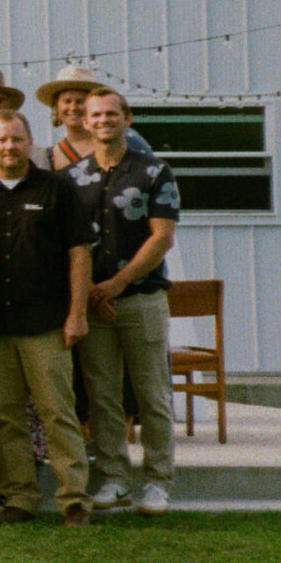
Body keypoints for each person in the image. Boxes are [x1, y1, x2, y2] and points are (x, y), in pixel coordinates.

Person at [0, 112, 95, 525]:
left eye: (17, 140)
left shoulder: (57, 188)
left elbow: (79, 253)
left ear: (30, 142)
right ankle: (20, 497)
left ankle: (73, 498)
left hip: (46, 324)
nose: (9, 147)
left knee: (58, 412)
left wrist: (77, 314)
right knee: (6, 416)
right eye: (1, 141)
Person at [68, 88, 182, 515]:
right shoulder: (72, 178)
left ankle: (157, 481)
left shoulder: (154, 172)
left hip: (140, 298)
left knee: (152, 394)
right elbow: (70, 244)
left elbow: (162, 236)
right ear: (84, 120)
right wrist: (84, 296)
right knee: (102, 396)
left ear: (127, 118)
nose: (102, 120)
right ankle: (114, 478)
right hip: (92, 304)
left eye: (111, 113)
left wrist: (118, 282)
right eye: (94, 114)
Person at [37, 65, 154, 167]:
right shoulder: (50, 156)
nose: (73, 108)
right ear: (56, 107)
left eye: (80, 101)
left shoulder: (126, 138)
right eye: (67, 101)